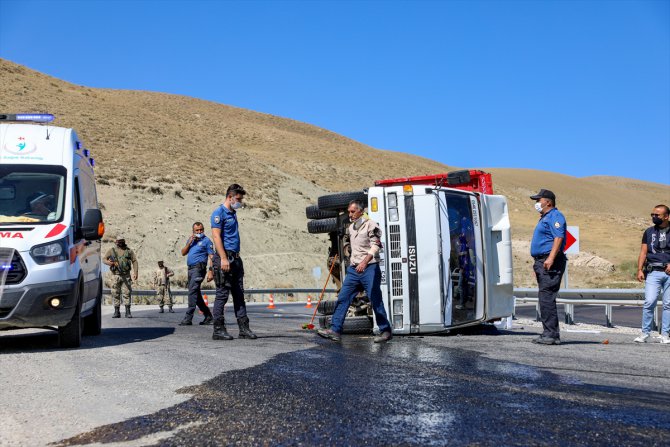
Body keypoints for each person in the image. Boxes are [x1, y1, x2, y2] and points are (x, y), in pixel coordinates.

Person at [317, 200, 392, 343]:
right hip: (354, 270)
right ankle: (335, 330)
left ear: (361, 211)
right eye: (349, 212)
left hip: (369, 267)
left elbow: (376, 245)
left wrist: (364, 262)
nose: (350, 214)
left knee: (375, 300)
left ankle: (385, 331)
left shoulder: (371, 225)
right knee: (343, 298)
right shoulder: (351, 228)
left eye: (352, 211)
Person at [210, 184, 257, 340]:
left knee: (239, 295)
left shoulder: (233, 213)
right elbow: (216, 237)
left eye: (241, 199)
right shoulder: (218, 213)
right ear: (230, 197)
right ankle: (218, 329)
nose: (240, 201)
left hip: (235, 259)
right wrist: (223, 258)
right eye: (238, 199)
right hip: (224, 259)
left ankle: (244, 328)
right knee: (222, 295)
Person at [529, 189, 567, 345]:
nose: (537, 203)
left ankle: (551, 334)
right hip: (542, 261)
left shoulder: (555, 216)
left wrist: (550, 258)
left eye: (539, 200)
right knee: (544, 297)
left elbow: (559, 237)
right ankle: (548, 332)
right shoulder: (545, 217)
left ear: (548, 202)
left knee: (547, 297)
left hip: (550, 261)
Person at [634, 205, 670, 344]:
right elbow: (643, 252)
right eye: (652, 215)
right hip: (653, 272)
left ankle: (665, 334)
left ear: (666, 216)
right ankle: (645, 333)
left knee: (668, 304)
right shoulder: (649, 232)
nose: (654, 217)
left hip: (669, 273)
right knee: (649, 302)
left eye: (657, 215)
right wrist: (639, 269)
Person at [179, 221, 215, 326]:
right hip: (190, 269)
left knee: (192, 292)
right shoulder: (191, 240)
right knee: (196, 294)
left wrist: (210, 271)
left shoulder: (207, 241)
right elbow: (183, 253)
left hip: (199, 269)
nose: (199, 232)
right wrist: (189, 242)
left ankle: (188, 318)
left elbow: (212, 257)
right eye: (197, 230)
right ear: (193, 231)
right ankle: (208, 316)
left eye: (201, 230)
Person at [103, 236, 138, 318]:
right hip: (115, 275)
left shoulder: (128, 251)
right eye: (118, 241)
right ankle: (116, 312)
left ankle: (128, 312)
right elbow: (104, 259)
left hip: (126, 275)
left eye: (121, 241)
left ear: (124, 241)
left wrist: (135, 272)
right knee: (115, 293)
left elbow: (134, 261)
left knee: (127, 293)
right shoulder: (112, 251)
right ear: (116, 242)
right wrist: (110, 263)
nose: (119, 243)